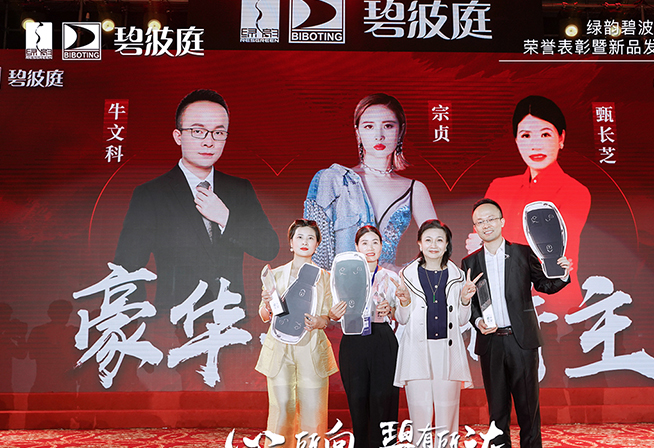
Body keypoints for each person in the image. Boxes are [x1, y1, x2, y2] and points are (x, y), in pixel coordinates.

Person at [114, 89, 279, 313]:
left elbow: (269, 248)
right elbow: (128, 268)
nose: (209, 142)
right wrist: (139, 322)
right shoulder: (151, 194)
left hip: (231, 318)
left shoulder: (240, 189)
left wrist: (225, 218)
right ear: (178, 136)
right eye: (198, 131)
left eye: (218, 133)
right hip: (173, 320)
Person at [462, 199, 573, 448]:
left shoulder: (523, 253)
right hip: (491, 345)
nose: (486, 225)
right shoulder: (470, 263)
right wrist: (477, 321)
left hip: (522, 343)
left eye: (490, 219)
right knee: (497, 415)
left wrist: (562, 272)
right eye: (480, 222)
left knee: (528, 413)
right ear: (475, 228)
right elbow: (470, 305)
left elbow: (545, 285)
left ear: (502, 221)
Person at [466, 95, 590, 320]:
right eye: (525, 135)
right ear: (516, 140)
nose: (535, 144)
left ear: (561, 138)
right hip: (502, 301)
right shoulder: (499, 186)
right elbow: (480, 244)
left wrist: (491, 242)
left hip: (555, 302)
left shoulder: (575, 191)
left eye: (545, 134)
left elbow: (552, 247)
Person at [393, 220, 479, 448]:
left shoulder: (458, 275)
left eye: (439, 240)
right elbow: (402, 318)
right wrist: (403, 301)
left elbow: (463, 319)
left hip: (447, 351)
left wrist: (465, 299)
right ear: (419, 243)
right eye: (428, 240)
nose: (433, 245)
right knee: (420, 419)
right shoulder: (406, 274)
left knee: (446, 419)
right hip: (417, 352)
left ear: (446, 245)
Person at [305, 93, 436, 271]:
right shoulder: (335, 180)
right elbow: (313, 247)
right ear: (357, 131)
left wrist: (401, 272)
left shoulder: (414, 189)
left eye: (388, 126)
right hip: (342, 282)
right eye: (369, 126)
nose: (379, 135)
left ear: (400, 130)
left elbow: (438, 243)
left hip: (388, 285)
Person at [256, 219, 337, 448]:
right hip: (279, 351)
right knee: (281, 410)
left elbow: (330, 316)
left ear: (317, 244)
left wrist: (322, 321)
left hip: (311, 349)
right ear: (290, 243)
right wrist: (267, 305)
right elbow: (264, 314)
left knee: (313, 414)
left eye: (310, 238)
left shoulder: (326, 278)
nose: (305, 242)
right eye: (299, 237)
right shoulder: (275, 275)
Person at [329, 226, 400, 448]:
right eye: (365, 243)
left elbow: (402, 313)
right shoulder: (342, 275)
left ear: (381, 246)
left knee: (383, 406)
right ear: (357, 247)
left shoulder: (391, 277)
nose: (370, 248)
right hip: (353, 341)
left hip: (382, 340)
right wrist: (334, 313)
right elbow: (331, 311)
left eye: (375, 242)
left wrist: (392, 308)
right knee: (358, 408)